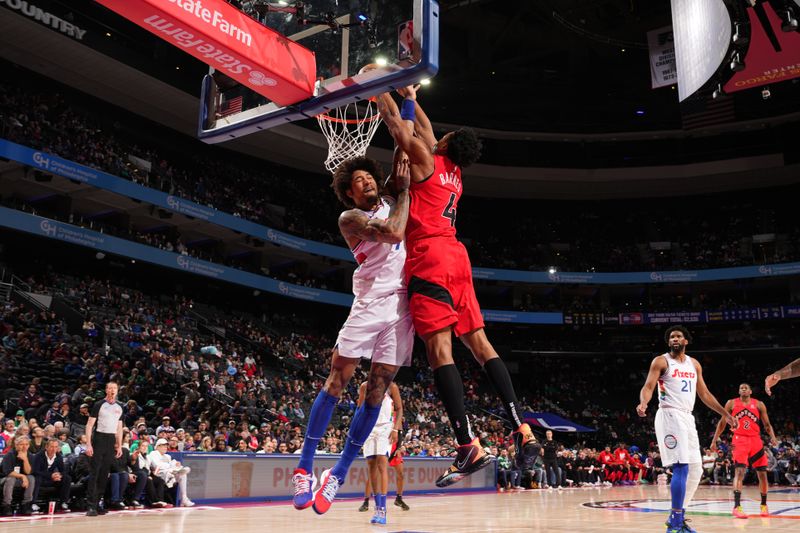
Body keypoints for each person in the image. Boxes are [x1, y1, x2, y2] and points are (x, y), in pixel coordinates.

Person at [375, 84, 537, 488]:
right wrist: (409, 91)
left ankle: (468, 444)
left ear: (445, 142)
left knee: (439, 351)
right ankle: (523, 430)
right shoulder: (453, 169)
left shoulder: (428, 158)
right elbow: (423, 124)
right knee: (482, 346)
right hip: (457, 258)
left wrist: (376, 87)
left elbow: (400, 128)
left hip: (429, 257)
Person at [291, 154, 414, 515]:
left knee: (376, 394)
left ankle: (338, 473)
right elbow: (393, 232)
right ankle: (304, 468)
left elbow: (401, 148)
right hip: (369, 301)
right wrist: (403, 194)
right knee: (337, 381)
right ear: (349, 192)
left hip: (401, 308)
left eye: (368, 176)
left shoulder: (391, 197)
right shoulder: (351, 218)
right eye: (358, 180)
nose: (367, 182)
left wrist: (405, 98)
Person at [636, 325, 736, 533]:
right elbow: (648, 386)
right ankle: (674, 524)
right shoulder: (661, 361)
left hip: (687, 417)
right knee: (681, 466)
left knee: (696, 469)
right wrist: (644, 403)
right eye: (671, 337)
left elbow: (705, 394)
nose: (674, 338)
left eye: (678, 336)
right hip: (669, 414)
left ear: (686, 341)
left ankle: (678, 515)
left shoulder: (694, 364)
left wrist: (724, 413)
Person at [710, 383, 778, 518]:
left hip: (755, 440)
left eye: (746, 387)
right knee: (739, 472)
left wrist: (773, 437)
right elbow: (722, 422)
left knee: (763, 474)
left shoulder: (759, 404)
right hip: (739, 440)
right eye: (741, 387)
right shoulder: (731, 403)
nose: (743, 389)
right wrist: (714, 439)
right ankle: (737, 507)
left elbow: (767, 424)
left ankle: (764, 505)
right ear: (739, 391)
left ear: (751, 391)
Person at [355, 380, 403, 524]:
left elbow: (399, 409)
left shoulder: (392, 386)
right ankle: (376, 507)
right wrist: (358, 429)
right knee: (371, 467)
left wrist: (396, 429)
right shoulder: (365, 386)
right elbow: (360, 409)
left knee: (382, 464)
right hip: (369, 428)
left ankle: (382, 509)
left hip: (385, 428)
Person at [85, 381, 124, 516]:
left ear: (117, 391)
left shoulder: (120, 407)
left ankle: (97, 503)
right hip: (99, 438)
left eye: (115, 388)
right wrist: (89, 444)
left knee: (104, 473)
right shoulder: (99, 405)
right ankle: (90, 505)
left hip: (111, 439)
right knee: (95, 472)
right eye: (110, 388)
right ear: (106, 390)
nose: (112, 390)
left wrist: (119, 445)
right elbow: (89, 425)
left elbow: (119, 428)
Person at [33, 438, 72, 512]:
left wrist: (59, 475)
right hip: (41, 478)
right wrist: (51, 475)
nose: (54, 449)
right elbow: (36, 471)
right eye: (52, 447)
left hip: (51, 479)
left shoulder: (58, 456)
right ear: (46, 447)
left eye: (56, 447)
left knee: (67, 478)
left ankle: (63, 502)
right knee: (37, 478)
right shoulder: (39, 456)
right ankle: (33, 503)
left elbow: (63, 470)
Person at [0, 436, 35, 516]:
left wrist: (25, 459)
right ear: (16, 445)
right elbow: (8, 472)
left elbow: (28, 472)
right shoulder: (10, 455)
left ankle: (26, 504)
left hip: (19, 480)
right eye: (21, 444)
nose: (24, 447)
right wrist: (23, 476)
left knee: (31, 478)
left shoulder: (30, 455)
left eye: (26, 444)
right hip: (4, 479)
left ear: (29, 445)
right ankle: (6, 505)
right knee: (11, 479)